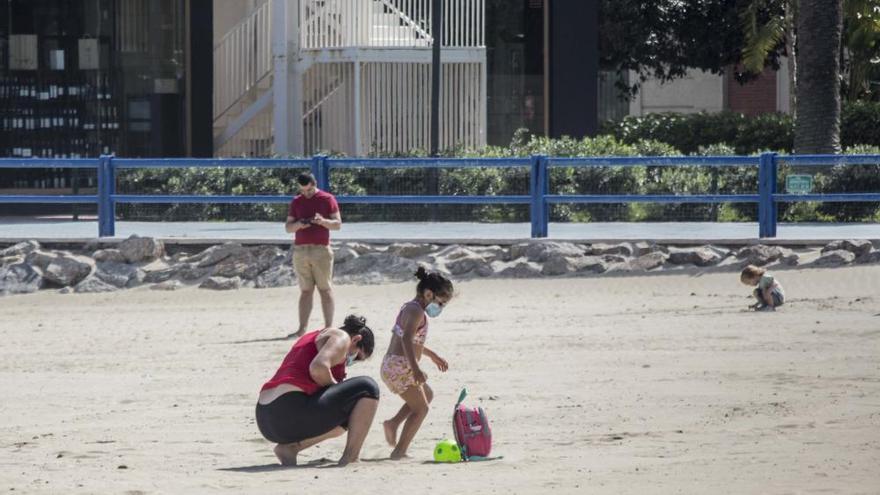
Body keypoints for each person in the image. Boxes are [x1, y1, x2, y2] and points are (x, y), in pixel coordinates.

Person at [256, 315, 379, 467]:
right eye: (357, 356)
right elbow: (318, 368)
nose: (353, 360)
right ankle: (351, 457)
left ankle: (290, 448)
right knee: (368, 387)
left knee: (351, 415)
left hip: (265, 419)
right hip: (287, 410)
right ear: (356, 340)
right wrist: (337, 389)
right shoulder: (342, 337)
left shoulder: (314, 336)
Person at [380, 267, 454, 460]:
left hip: (394, 364)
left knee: (427, 394)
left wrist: (432, 355)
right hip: (400, 366)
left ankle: (393, 423)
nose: (441, 308)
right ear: (429, 294)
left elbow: (412, 341)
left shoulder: (411, 307)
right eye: (441, 303)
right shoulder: (416, 311)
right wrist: (416, 369)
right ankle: (399, 451)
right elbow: (405, 340)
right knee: (422, 409)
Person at [285, 172, 341, 337]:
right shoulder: (296, 201)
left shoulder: (327, 199)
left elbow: (337, 224)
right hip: (301, 250)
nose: (306, 194)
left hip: (321, 250)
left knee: (325, 289)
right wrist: (299, 224)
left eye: (309, 190)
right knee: (305, 291)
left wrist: (322, 221)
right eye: (303, 191)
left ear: (314, 184)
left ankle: (329, 328)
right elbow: (288, 228)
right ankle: (301, 329)